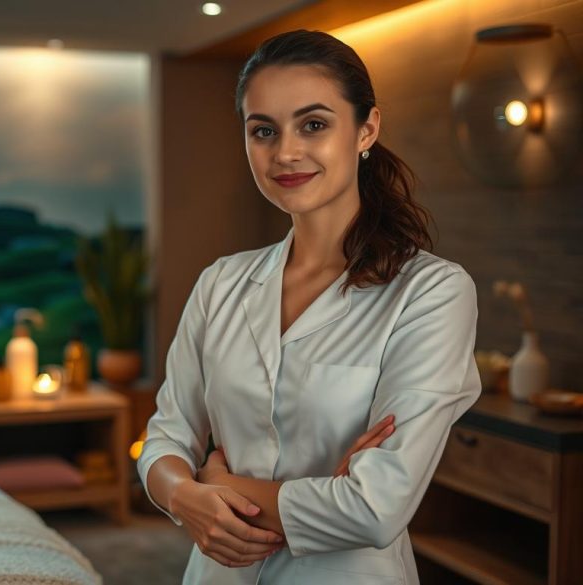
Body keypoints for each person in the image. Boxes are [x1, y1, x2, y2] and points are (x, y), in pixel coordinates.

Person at [138, 30, 482, 584]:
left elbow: (375, 508)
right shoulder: (220, 283)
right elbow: (165, 437)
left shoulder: (431, 293)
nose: (286, 152)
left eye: (314, 125)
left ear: (366, 129)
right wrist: (181, 495)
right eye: (263, 131)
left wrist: (213, 484)